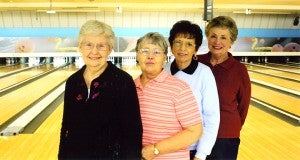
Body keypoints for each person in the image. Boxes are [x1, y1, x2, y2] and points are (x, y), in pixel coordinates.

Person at [58, 20, 143, 159]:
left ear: (110, 49)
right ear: (80, 47)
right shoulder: (73, 82)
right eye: (88, 45)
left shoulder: (122, 81)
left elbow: (133, 132)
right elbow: (66, 126)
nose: (94, 51)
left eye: (101, 46)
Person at [134, 32, 203, 160]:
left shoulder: (179, 88)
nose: (150, 56)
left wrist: (155, 149)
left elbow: (194, 131)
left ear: (164, 57)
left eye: (156, 52)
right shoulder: (130, 88)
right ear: (137, 55)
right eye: (144, 51)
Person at [197, 16, 251, 160]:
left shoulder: (239, 70)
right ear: (207, 37)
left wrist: (230, 127)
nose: (217, 42)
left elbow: (243, 106)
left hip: (225, 136)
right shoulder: (196, 62)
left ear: (231, 41)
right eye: (213, 36)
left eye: (223, 37)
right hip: (196, 133)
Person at [165, 20, 220, 160]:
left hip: (192, 149)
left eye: (189, 44)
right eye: (178, 42)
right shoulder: (163, 71)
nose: (182, 48)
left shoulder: (204, 73)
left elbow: (212, 117)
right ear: (171, 45)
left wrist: (200, 155)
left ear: (196, 49)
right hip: (165, 147)